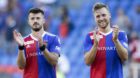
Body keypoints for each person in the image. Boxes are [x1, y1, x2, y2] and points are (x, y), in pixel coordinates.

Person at [83, 3, 128, 78]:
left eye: (103, 15)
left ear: (109, 15)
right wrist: (95, 45)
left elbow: (125, 58)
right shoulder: (90, 36)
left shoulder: (120, 34)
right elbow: (87, 62)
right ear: (95, 18)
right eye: (98, 16)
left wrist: (116, 40)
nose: (101, 18)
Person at [13, 8, 61, 78]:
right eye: (32, 19)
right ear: (29, 22)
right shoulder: (24, 41)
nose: (35, 21)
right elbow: (21, 66)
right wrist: (21, 47)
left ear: (43, 20)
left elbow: (54, 62)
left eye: (38, 18)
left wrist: (42, 48)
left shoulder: (53, 38)